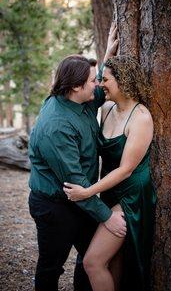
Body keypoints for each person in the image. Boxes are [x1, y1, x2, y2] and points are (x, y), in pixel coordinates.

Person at [28, 24, 127, 291]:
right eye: (94, 80)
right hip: (55, 205)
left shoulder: (78, 99)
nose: (99, 85)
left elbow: (97, 91)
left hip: (81, 200)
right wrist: (107, 216)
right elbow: (75, 182)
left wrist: (107, 54)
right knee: (51, 266)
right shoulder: (57, 126)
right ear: (74, 87)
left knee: (90, 258)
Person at [63, 55, 156, 291]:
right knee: (113, 261)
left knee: (93, 262)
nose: (100, 84)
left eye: (105, 80)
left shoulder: (141, 118)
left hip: (130, 195)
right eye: (100, 79)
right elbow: (88, 83)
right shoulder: (106, 108)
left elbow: (126, 170)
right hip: (108, 190)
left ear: (123, 81)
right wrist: (107, 51)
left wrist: (87, 192)